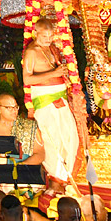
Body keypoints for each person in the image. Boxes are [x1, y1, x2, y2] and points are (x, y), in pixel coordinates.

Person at [23, 16, 80, 185]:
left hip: (60, 98)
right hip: (46, 100)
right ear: (35, 33)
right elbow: (27, 79)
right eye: (44, 37)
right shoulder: (31, 52)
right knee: (52, 139)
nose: (48, 40)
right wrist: (53, 74)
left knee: (69, 135)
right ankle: (55, 178)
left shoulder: (51, 48)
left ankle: (67, 175)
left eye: (50, 36)